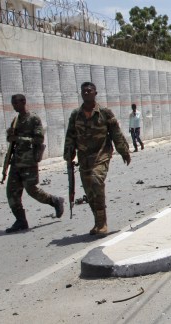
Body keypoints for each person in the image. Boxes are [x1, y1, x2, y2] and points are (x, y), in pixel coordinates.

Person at [64, 82, 131, 235]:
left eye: (89, 91)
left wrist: (124, 151)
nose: (86, 93)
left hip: (102, 154)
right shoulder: (76, 115)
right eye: (84, 91)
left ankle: (102, 224)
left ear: (95, 93)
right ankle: (98, 222)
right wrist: (69, 155)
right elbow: (70, 136)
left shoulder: (105, 113)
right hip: (84, 157)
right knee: (89, 192)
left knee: (96, 181)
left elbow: (116, 133)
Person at [3, 94, 65, 233]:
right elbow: (11, 140)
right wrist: (10, 135)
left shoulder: (33, 119)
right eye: (12, 103)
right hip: (16, 162)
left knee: (32, 190)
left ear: (23, 102)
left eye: (16, 103)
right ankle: (21, 221)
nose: (14, 106)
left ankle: (54, 201)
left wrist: (18, 138)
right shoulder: (16, 120)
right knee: (12, 193)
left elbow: (38, 139)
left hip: (29, 161)